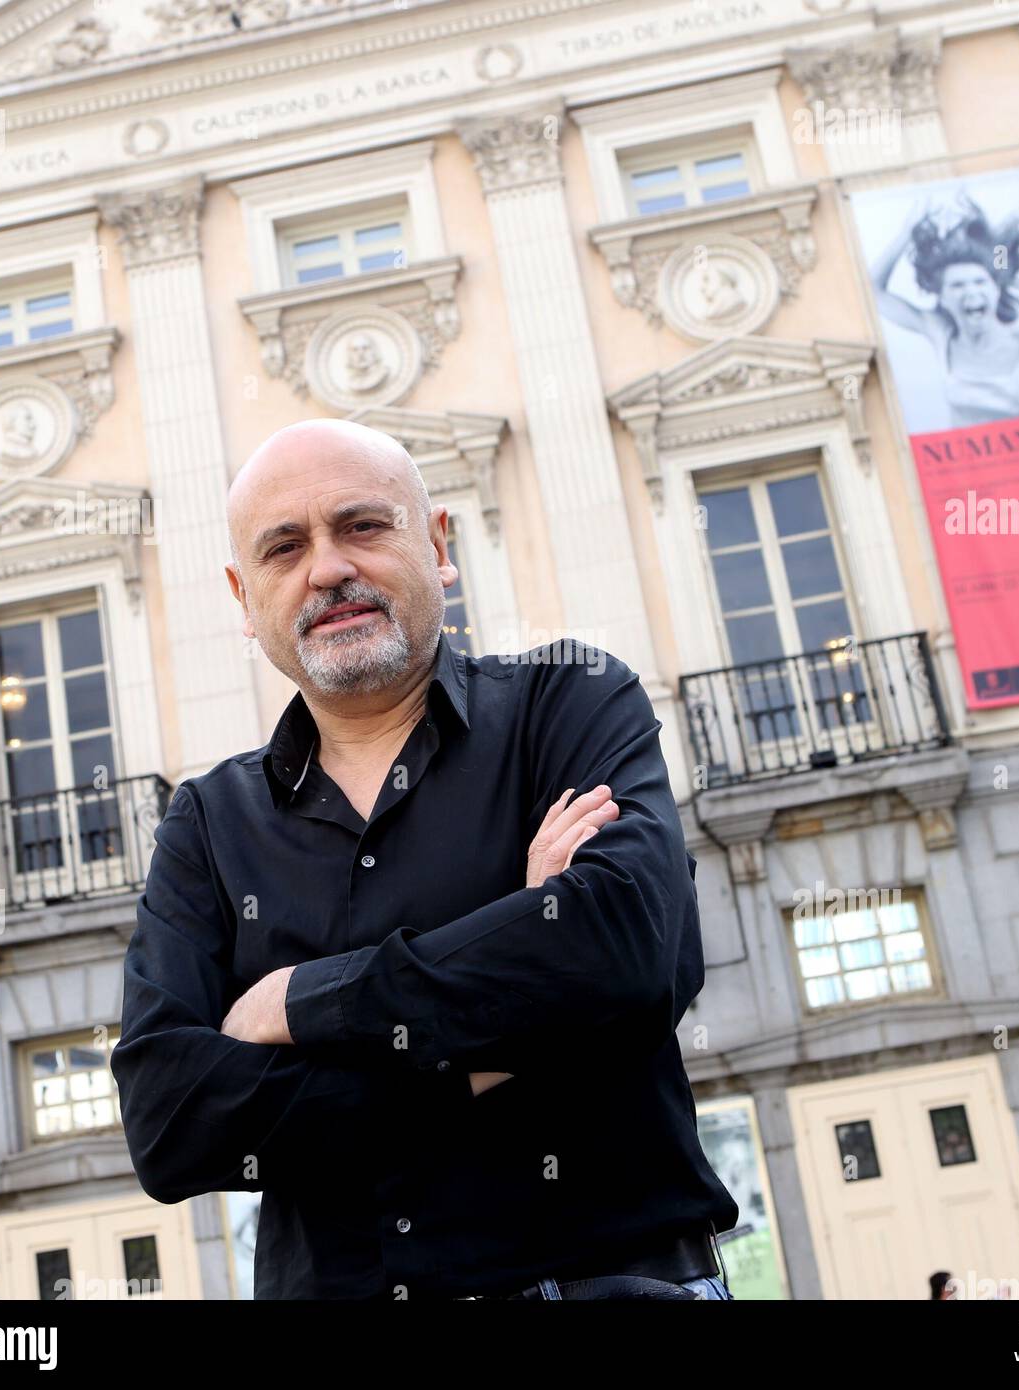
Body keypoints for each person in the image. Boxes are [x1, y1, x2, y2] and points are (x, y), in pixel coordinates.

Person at [111, 418, 739, 1300]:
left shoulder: (571, 705)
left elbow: (624, 955)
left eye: (362, 526)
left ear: (438, 544)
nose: (327, 568)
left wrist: (303, 999)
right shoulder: (209, 825)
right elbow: (171, 1122)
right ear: (243, 600)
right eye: (284, 548)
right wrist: (499, 1035)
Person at [869, 192, 1019, 428]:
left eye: (979, 282)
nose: (971, 292)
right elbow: (873, 292)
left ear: (996, 290)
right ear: (942, 298)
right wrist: (907, 233)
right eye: (957, 285)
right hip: (971, 464)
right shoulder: (941, 333)